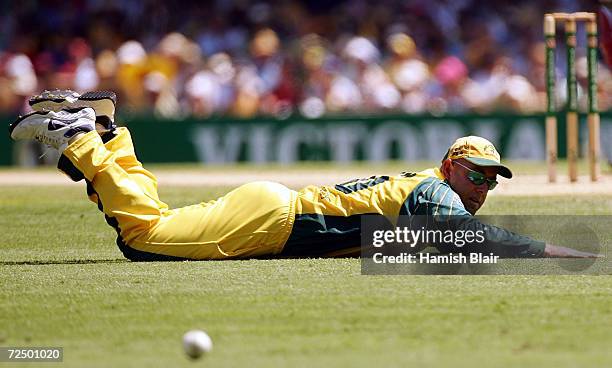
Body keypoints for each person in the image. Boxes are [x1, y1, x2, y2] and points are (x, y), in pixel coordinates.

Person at [9, 90, 597, 261]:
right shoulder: (434, 192)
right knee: (142, 239)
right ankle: (81, 136)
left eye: (493, 180)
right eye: (478, 175)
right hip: (269, 222)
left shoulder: (429, 191)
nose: (484, 188)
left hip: (272, 211)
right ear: (451, 166)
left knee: (154, 223)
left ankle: (108, 135)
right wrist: (558, 250)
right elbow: (481, 241)